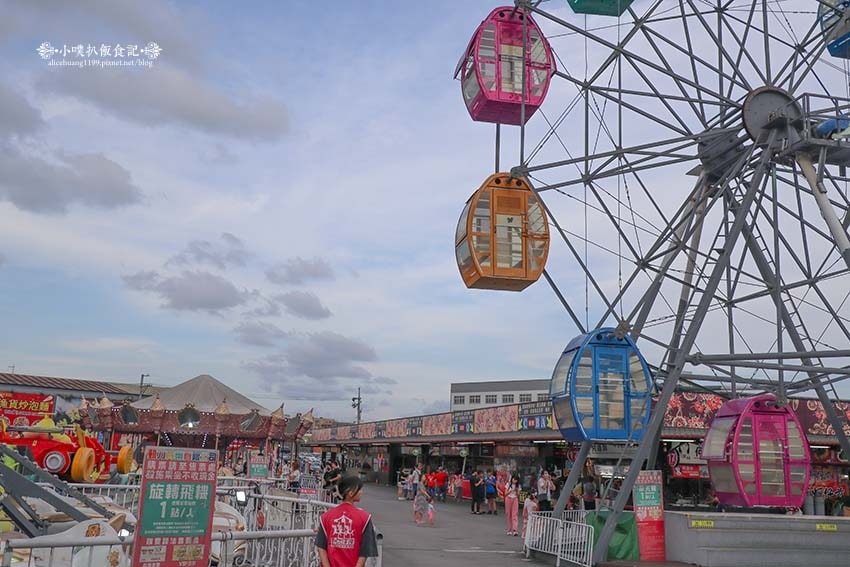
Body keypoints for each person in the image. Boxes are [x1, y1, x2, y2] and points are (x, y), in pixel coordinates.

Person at [315, 475, 379, 567]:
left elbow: (321, 547)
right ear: (351, 493)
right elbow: (365, 550)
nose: (362, 492)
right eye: (360, 489)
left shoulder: (326, 516)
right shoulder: (364, 517)